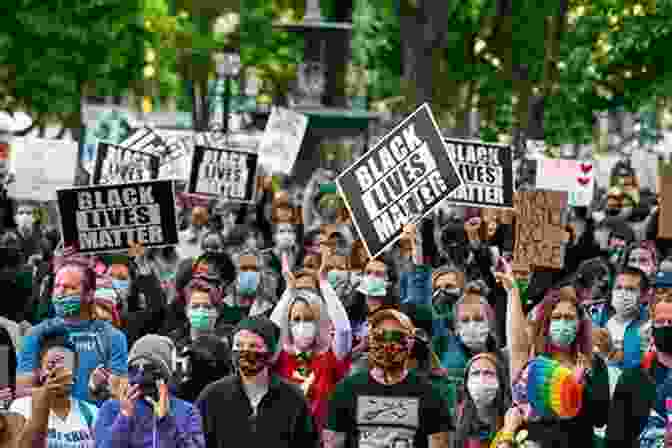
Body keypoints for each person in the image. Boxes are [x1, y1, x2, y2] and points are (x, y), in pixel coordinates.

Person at [502, 259, 610, 447]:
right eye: (557, 318)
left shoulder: (594, 364)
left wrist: (582, 386)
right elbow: (516, 342)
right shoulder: (535, 362)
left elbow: (600, 418)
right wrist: (512, 292)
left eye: (569, 318)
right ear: (546, 323)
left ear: (579, 324)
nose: (563, 323)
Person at [324, 309, 453, 448]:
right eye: (379, 336)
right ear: (370, 340)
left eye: (397, 337)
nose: (387, 344)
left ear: (410, 343)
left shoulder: (430, 395)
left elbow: (439, 443)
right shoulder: (345, 390)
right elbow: (332, 443)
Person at [16, 254, 128, 403]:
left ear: (89, 294)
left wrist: (98, 389)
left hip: (95, 422)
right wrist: (51, 389)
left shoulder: (113, 337)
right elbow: (22, 394)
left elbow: (118, 398)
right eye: (57, 286)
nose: (60, 293)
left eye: (70, 287)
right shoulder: (36, 334)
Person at [196, 316, 318, 448]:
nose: (245, 351)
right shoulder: (212, 396)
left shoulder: (293, 398)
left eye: (253, 346)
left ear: (269, 351)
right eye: (239, 345)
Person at [270, 246, 351, 435]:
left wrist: (323, 282)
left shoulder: (329, 354)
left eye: (309, 319)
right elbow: (270, 332)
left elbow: (345, 331)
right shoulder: (279, 355)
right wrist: (288, 292)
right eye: (296, 319)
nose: (302, 324)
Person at [94, 335, 205, 448]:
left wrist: (166, 421)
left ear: (165, 374)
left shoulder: (187, 412)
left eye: (149, 369)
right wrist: (124, 417)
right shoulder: (111, 409)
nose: (140, 376)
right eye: (134, 369)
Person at [12, 328, 98, 448]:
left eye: (65, 366)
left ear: (75, 373)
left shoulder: (92, 412)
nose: (58, 372)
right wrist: (43, 401)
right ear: (39, 371)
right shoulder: (21, 407)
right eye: (51, 365)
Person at [454, 353, 511, 448]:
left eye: (488, 373)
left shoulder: (510, 419)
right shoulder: (456, 418)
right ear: (466, 383)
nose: (482, 379)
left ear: (500, 382)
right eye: (475, 373)